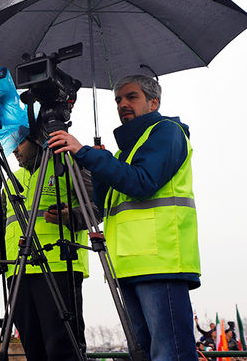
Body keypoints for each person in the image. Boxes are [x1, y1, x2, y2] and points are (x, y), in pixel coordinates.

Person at [49, 74, 201, 360]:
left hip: (161, 261)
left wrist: (85, 153)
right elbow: (103, 207)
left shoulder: (166, 131)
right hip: (130, 264)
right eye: (118, 99)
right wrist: (99, 163)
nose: (122, 104)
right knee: (142, 353)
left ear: (154, 102)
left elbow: (142, 184)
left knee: (170, 353)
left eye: (132, 97)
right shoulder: (124, 151)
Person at [0, 135, 99, 359]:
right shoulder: (13, 178)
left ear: (37, 140)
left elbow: (98, 205)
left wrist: (70, 216)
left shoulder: (67, 165)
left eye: (19, 143)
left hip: (59, 267)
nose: (14, 150)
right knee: (33, 347)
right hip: (18, 271)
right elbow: (2, 224)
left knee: (63, 348)